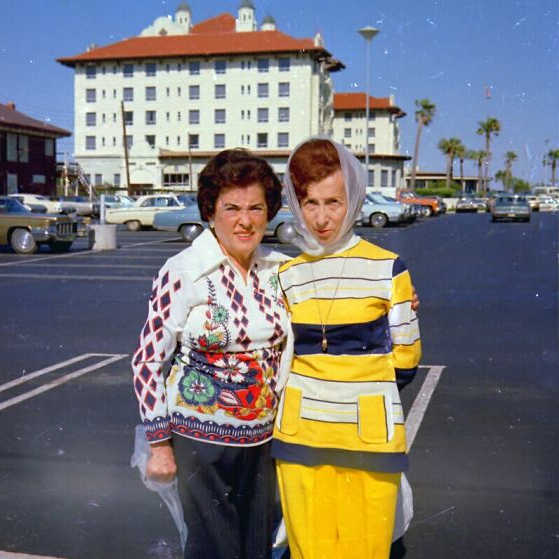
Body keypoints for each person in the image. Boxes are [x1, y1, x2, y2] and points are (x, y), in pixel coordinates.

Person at [131, 148, 291, 559]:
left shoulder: (281, 270)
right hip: (200, 447)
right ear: (211, 211)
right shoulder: (183, 271)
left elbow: (334, 291)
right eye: (232, 207)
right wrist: (160, 445)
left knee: (256, 549)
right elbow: (146, 361)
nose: (245, 219)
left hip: (264, 445)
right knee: (212, 551)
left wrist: (395, 299)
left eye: (256, 207)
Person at [272, 137, 422, 559]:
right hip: (300, 438)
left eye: (333, 201)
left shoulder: (387, 267)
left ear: (353, 198)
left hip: (369, 441)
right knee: (308, 550)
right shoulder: (285, 274)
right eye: (310, 202)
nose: (321, 217)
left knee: (365, 549)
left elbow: (407, 360)